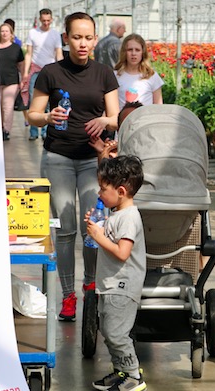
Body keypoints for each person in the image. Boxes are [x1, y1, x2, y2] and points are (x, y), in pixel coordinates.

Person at [27, 11, 120, 322]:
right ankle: (68, 295)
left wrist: (104, 121)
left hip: (94, 160)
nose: (82, 43)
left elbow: (116, 117)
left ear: (95, 39)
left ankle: (91, 286)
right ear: (65, 38)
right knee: (66, 227)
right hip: (58, 158)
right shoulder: (51, 73)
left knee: (92, 227)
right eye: (76, 37)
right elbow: (32, 114)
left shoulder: (104, 74)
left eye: (88, 37)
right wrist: (48, 117)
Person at [85, 155, 146, 391]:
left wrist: (99, 237)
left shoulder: (129, 218)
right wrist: (97, 229)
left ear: (120, 191)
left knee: (116, 333)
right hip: (110, 284)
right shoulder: (116, 214)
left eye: (103, 189)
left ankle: (133, 375)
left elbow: (122, 252)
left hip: (122, 285)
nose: (99, 194)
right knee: (109, 332)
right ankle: (121, 371)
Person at [22, 8, 64, 141]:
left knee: (48, 101)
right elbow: (29, 54)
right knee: (33, 100)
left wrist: (62, 70)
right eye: (43, 20)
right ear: (39, 20)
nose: (46, 23)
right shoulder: (33, 33)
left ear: (51, 20)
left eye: (48, 20)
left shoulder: (55, 34)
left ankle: (46, 131)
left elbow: (58, 53)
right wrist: (25, 73)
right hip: (35, 70)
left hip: (50, 71)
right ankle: (34, 131)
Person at [114, 33, 163, 108]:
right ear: (124, 52)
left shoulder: (151, 76)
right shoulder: (115, 75)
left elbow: (159, 106)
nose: (133, 53)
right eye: (130, 50)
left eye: (137, 50)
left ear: (142, 53)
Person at [0, 22, 24, 141]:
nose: (4, 33)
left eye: (7, 31)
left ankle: (6, 130)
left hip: (11, 81)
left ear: (11, 34)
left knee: (7, 106)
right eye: (2, 31)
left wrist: (23, 78)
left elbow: (21, 65)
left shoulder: (16, 48)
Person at [4, 17, 30, 128]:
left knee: (19, 99)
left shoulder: (16, 42)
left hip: (14, 73)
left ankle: (26, 119)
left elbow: (20, 59)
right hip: (12, 73)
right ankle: (25, 119)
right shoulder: (14, 41)